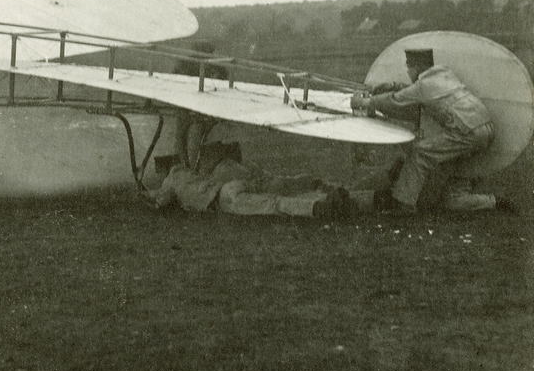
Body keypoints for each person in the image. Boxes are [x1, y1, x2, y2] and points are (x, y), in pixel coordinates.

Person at [351, 48, 511, 213]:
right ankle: (494, 202)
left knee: (420, 153)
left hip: (467, 132)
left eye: (409, 68)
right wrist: (394, 86)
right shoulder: (444, 74)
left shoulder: (424, 86)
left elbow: (395, 100)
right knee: (452, 200)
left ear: (416, 68)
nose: (408, 72)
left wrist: (366, 103)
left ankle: (403, 204)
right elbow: (423, 91)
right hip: (485, 127)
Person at [142, 142, 356, 220]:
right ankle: (331, 189)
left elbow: (161, 200)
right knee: (280, 184)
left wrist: (150, 198)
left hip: (224, 198)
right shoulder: (188, 172)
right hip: (230, 185)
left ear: (162, 171)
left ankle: (318, 208)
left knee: (272, 204)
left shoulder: (170, 180)